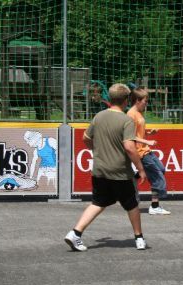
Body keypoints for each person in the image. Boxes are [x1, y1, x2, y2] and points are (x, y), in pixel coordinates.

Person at [64, 83, 148, 251]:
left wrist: (96, 149)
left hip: (100, 170)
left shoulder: (99, 116)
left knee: (97, 202)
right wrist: (141, 169)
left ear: (110, 98)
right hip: (120, 172)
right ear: (126, 100)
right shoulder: (126, 120)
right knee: (132, 205)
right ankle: (139, 238)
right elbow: (130, 148)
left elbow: (86, 138)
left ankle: (75, 234)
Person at [128, 87, 171, 215]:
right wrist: (147, 142)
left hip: (146, 150)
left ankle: (134, 178)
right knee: (158, 176)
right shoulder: (131, 115)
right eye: (145, 101)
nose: (146, 104)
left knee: (161, 169)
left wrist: (148, 133)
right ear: (137, 100)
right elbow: (129, 135)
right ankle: (155, 206)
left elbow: (138, 133)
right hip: (140, 152)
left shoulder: (139, 114)